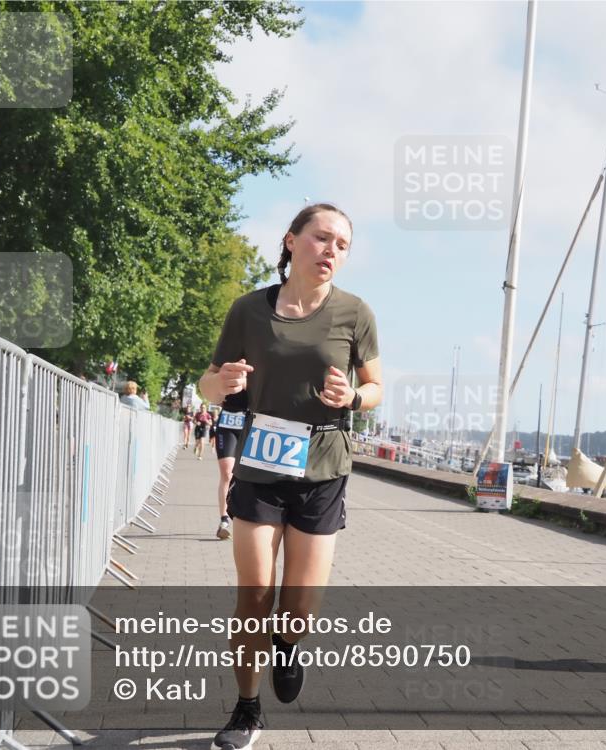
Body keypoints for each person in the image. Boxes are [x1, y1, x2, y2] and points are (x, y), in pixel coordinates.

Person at [199, 203, 381, 750]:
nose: (331, 251)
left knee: (299, 607)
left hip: (323, 470)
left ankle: (287, 645)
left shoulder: (355, 312)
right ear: (291, 240)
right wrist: (221, 384)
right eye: (322, 238)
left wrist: (353, 398)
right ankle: (246, 708)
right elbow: (209, 383)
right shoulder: (248, 310)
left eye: (342, 245)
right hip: (260, 467)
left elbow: (375, 387)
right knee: (254, 594)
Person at [212, 392, 247, 540]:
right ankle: (224, 520)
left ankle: (246, 520)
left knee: (247, 474)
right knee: (227, 473)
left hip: (250, 421)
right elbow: (213, 394)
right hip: (228, 421)